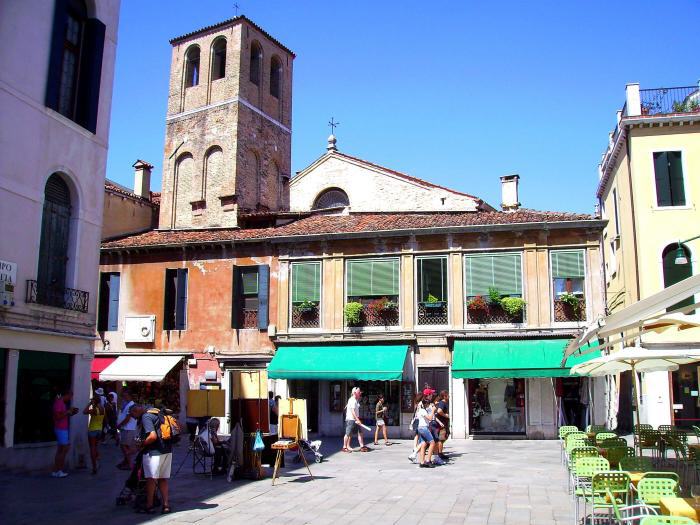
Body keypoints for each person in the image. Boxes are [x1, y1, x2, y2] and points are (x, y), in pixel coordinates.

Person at [129, 404, 172, 514]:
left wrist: (141, 445)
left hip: (153, 452)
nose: (134, 418)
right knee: (163, 478)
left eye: (133, 415)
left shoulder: (146, 416)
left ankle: (149, 505)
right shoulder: (157, 412)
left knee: (151, 479)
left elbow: (153, 436)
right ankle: (166, 505)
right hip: (166, 450)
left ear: (136, 411)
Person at [52, 389, 79, 478]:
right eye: (70, 396)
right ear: (67, 394)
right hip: (61, 429)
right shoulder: (59, 403)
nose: (71, 398)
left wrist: (71, 412)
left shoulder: (61, 403)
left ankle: (56, 470)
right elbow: (58, 416)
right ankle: (59, 470)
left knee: (60, 450)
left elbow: (62, 415)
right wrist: (67, 412)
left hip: (62, 428)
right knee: (64, 449)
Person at [83, 393, 105, 474]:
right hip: (99, 430)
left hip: (92, 430)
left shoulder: (94, 410)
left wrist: (89, 403)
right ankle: (97, 458)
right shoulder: (103, 408)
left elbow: (84, 412)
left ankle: (94, 467)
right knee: (95, 446)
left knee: (92, 448)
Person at [342, 387, 368, 452]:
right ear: (354, 393)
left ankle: (362, 446)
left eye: (360, 393)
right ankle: (344, 447)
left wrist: (358, 419)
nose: (360, 394)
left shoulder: (355, 400)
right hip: (351, 419)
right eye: (359, 393)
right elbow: (353, 411)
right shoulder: (352, 400)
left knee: (360, 432)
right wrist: (357, 419)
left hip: (355, 419)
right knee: (348, 434)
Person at [116, 390, 137, 470]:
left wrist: (120, 425)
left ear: (128, 395)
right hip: (126, 428)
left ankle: (129, 464)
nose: (123, 397)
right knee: (124, 445)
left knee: (124, 446)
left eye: (124, 395)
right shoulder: (127, 404)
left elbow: (128, 418)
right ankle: (126, 462)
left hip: (128, 428)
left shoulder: (131, 405)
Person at [415, 391, 437, 468]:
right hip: (424, 428)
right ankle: (428, 460)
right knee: (432, 443)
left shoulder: (420, 411)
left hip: (420, 428)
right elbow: (430, 418)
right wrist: (433, 410)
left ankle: (421, 462)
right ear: (425, 404)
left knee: (423, 444)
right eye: (428, 404)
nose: (428, 406)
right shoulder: (423, 411)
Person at [408, 392, 424, 463]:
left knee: (416, 435)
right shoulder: (421, 404)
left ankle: (415, 448)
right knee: (421, 436)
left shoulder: (416, 403)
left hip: (416, 420)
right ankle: (416, 449)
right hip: (420, 420)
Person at [435, 390, 450, 461]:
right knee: (441, 438)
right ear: (444, 396)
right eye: (448, 395)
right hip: (442, 424)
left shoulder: (443, 403)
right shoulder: (442, 403)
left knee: (444, 437)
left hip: (444, 423)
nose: (449, 396)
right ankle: (439, 453)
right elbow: (439, 411)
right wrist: (445, 415)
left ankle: (439, 452)